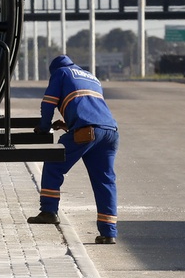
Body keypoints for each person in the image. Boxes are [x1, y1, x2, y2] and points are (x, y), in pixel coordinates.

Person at [27, 55, 120, 244]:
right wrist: (69, 124)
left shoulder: (61, 73)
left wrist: (44, 128)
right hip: (110, 132)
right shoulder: (90, 76)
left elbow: (48, 103)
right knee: (105, 181)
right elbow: (90, 108)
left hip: (88, 131)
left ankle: (48, 211)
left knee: (53, 162)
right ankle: (109, 232)